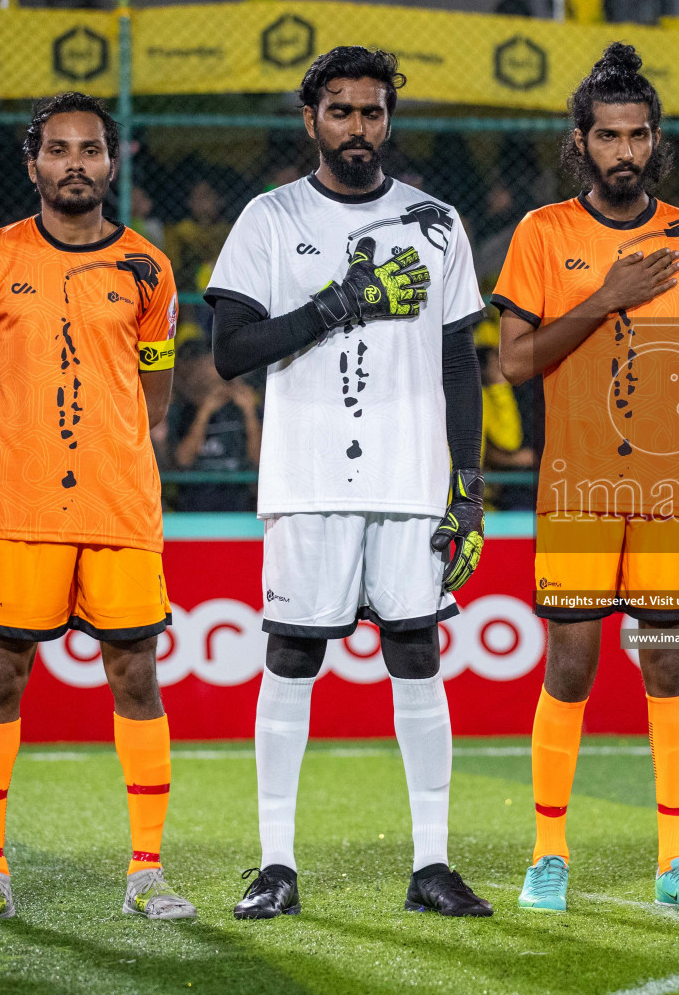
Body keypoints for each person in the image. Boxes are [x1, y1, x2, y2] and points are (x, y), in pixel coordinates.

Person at [205, 46, 491, 919]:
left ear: (388, 120)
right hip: (307, 476)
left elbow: (458, 365)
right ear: (311, 120)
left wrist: (468, 489)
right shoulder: (268, 216)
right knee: (293, 653)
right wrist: (336, 304)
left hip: (410, 480)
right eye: (341, 111)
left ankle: (431, 866)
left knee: (417, 652)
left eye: (371, 112)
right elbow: (230, 354)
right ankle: (276, 866)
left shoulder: (436, 222)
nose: (357, 128)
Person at [494, 42, 679, 914]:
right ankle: (547, 855)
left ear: (656, 139)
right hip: (577, 488)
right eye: (608, 136)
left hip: (675, 494)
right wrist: (605, 294)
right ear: (580, 142)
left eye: (639, 135)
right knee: (570, 664)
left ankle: (676, 861)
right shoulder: (542, 233)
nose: (625, 152)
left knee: (671, 667)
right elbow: (514, 362)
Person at [0, 92, 190, 923]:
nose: (74, 162)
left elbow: (153, 398)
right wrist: (2, 483)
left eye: (90, 149)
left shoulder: (150, 267)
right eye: (58, 149)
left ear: (111, 164)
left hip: (120, 510)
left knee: (136, 676)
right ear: (33, 162)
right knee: (0, 677)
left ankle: (146, 873)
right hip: (20, 512)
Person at [168, 339, 261, 512]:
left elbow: (258, 459)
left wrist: (249, 414)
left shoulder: (245, 406)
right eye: (211, 363)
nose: (220, 368)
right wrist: (204, 412)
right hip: (195, 505)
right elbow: (183, 460)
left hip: (240, 505)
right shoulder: (184, 409)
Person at [167, 179, 230, 293]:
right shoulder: (181, 230)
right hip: (187, 286)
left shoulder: (228, 230)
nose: (202, 203)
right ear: (190, 202)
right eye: (197, 198)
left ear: (218, 201)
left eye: (206, 197)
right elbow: (173, 264)